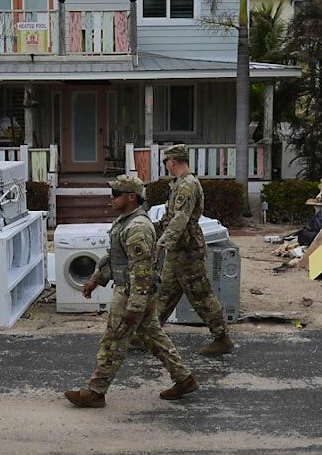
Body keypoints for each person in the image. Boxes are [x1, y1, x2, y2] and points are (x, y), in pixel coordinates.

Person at [64, 174, 198, 408]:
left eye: (116, 194)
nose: (112, 198)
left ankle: (95, 391)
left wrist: (134, 306)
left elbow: (142, 270)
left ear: (132, 197)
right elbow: (115, 258)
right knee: (153, 337)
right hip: (135, 291)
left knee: (113, 341)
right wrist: (96, 279)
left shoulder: (137, 227)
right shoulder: (125, 221)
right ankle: (184, 378)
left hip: (132, 292)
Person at [153, 144, 234, 355]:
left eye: (166, 161)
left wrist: (164, 241)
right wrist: (156, 230)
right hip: (178, 249)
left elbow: (181, 218)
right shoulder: (180, 183)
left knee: (201, 295)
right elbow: (171, 216)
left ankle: (222, 337)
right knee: (165, 293)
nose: (166, 166)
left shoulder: (187, 185)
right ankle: (148, 334)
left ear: (173, 161)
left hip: (187, 250)